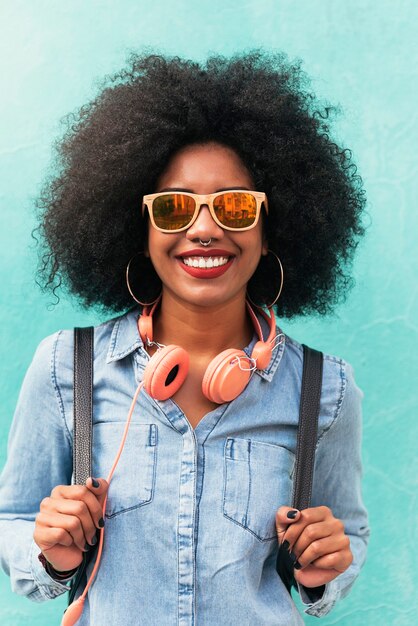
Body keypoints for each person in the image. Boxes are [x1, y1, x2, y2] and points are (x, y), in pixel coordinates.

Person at [0, 49, 370, 625]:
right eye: (174, 209)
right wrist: (50, 553)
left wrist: (327, 568)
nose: (204, 229)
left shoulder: (327, 388)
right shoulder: (64, 367)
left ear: (271, 230)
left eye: (236, 207)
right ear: (140, 227)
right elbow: (16, 520)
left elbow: (348, 534)